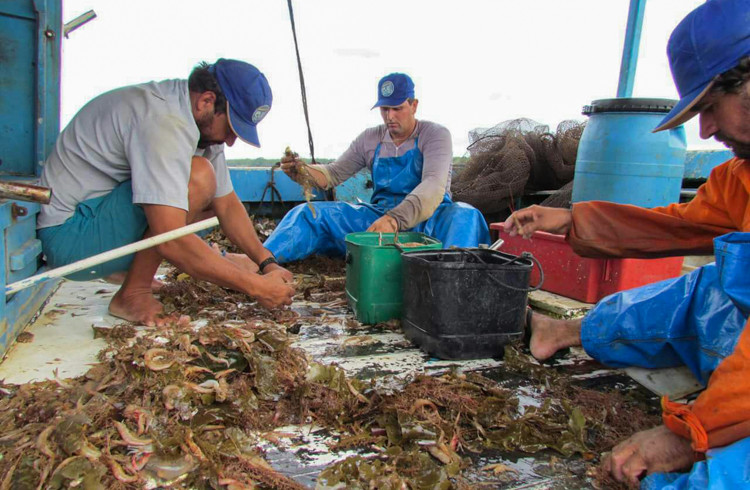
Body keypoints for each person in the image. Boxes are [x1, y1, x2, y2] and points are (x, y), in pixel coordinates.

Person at [503, 1, 750, 487]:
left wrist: (689, 433)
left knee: (715, 477)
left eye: (709, 108)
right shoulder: (741, 176)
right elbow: (677, 226)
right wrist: (574, 219)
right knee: (705, 290)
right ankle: (561, 331)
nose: (705, 129)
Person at [37, 59, 295, 326]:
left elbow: (227, 205)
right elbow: (170, 238)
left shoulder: (194, 118)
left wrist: (267, 264)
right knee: (198, 178)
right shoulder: (165, 123)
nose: (231, 140)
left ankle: (127, 271)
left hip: (97, 219)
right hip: (71, 241)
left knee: (210, 194)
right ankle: (133, 293)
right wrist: (256, 287)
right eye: (231, 127)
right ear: (206, 101)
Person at [262, 73, 490, 262]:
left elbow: (433, 186)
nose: (390, 116)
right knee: (308, 213)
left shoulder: (435, 134)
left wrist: (395, 220)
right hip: (380, 221)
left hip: (430, 221)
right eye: (384, 109)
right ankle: (263, 260)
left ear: (414, 105)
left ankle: (453, 275)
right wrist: (301, 171)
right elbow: (332, 174)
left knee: (466, 215)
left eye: (397, 108)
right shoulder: (370, 139)